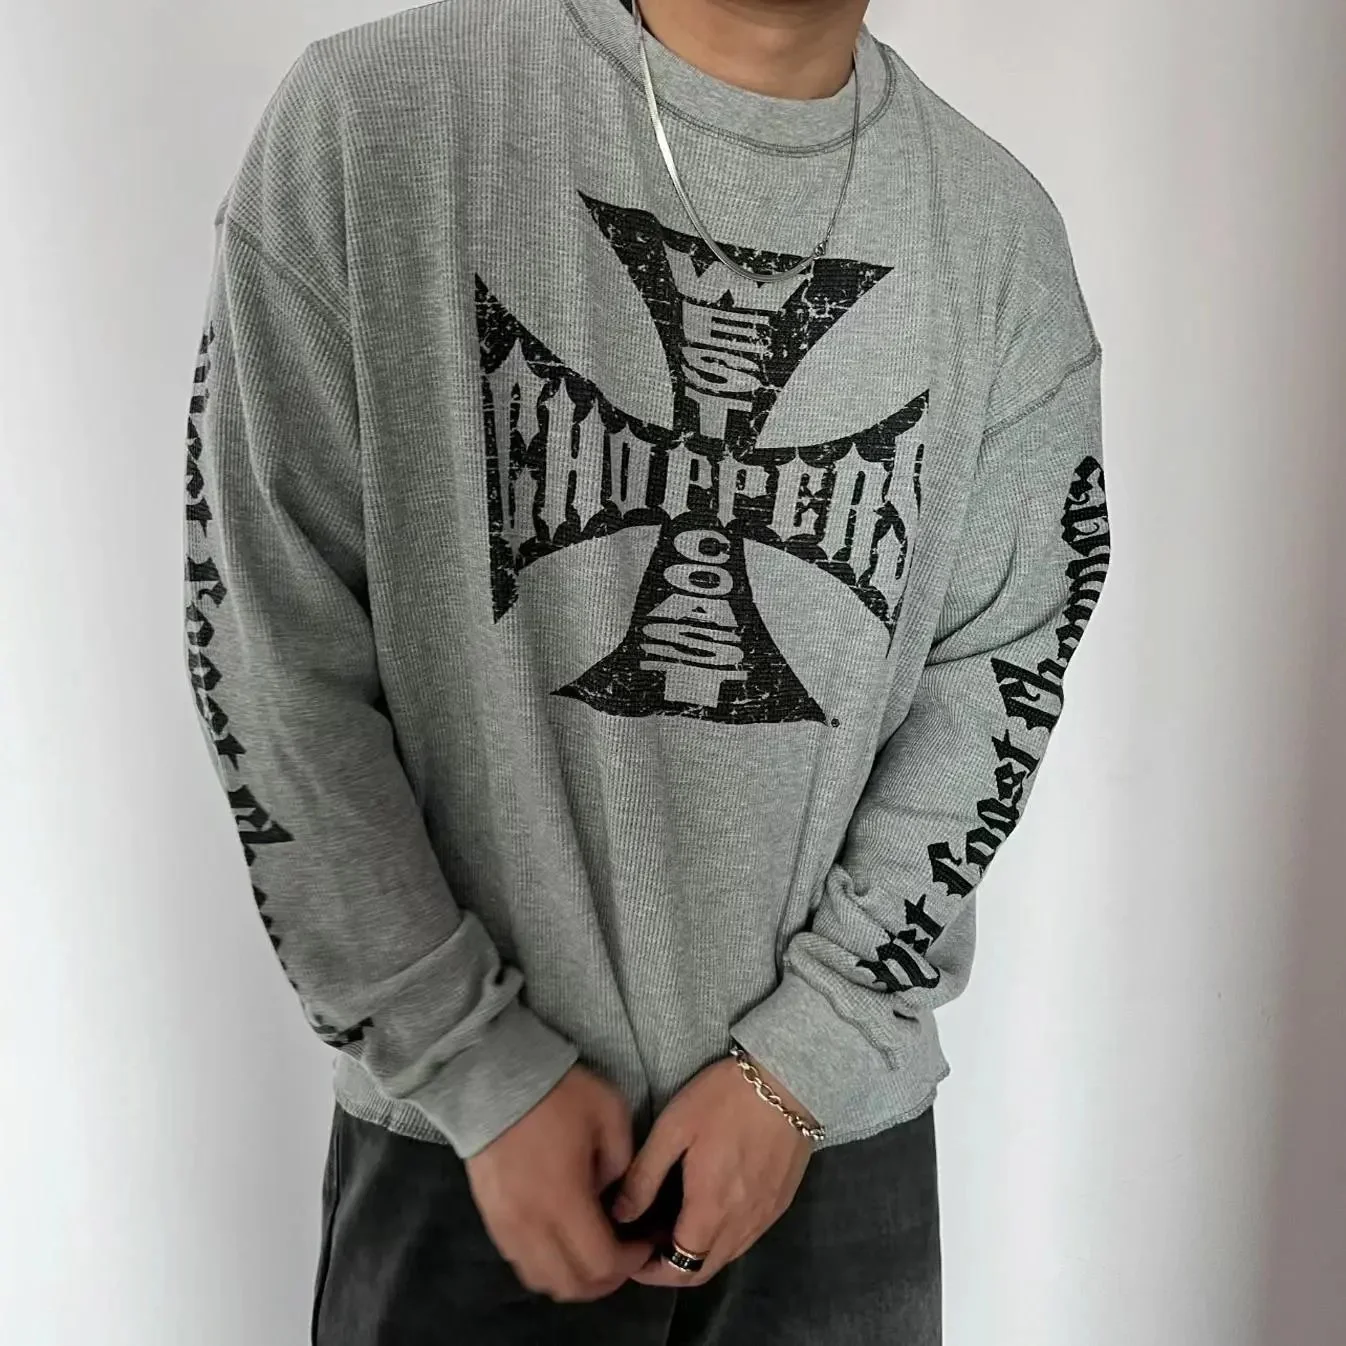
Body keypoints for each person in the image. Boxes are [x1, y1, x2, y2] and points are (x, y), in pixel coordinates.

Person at [181, 0, 1111, 1340]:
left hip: (833, 1158)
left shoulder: (1001, 237)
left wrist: (804, 1063)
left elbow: (999, 676)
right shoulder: (371, 119)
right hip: (468, 1152)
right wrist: (465, 1053)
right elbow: (270, 639)